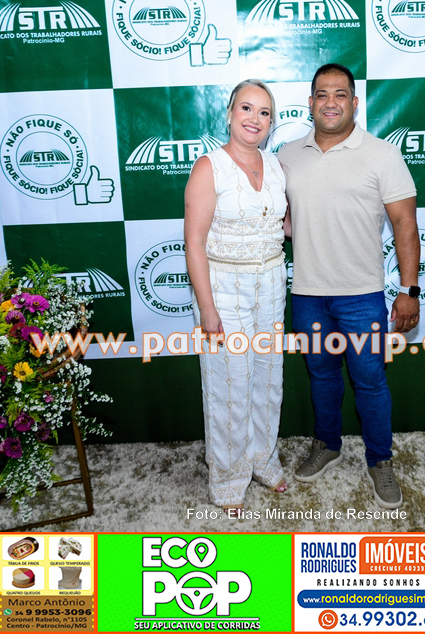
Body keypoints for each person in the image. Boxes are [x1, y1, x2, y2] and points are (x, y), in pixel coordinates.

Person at [277, 63, 420, 509]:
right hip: (307, 294)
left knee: (370, 381)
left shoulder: (383, 154)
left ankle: (380, 460)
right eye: (322, 94)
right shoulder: (287, 155)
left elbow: (405, 224)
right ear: (310, 103)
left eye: (340, 94)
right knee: (321, 376)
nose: (331, 102)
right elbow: (280, 217)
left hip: (361, 295)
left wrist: (409, 290)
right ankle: (328, 444)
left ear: (355, 102)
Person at [184, 79, 288, 514]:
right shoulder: (208, 167)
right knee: (230, 385)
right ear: (229, 114)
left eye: (264, 112)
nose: (254, 119)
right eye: (246, 108)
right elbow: (193, 243)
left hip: (272, 284)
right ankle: (227, 475)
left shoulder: (276, 164)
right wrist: (208, 309)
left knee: (268, 378)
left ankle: (262, 459)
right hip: (224, 290)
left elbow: (281, 224)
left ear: (271, 122)